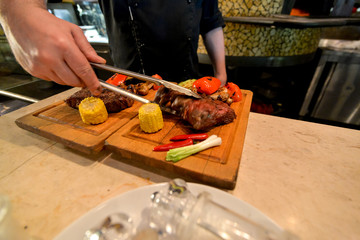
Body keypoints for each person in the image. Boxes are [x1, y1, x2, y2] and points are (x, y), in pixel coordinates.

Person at [0, 0, 227, 96]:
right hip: (128, 85)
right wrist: (17, 10)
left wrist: (220, 73)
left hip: (189, 82)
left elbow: (211, 22)